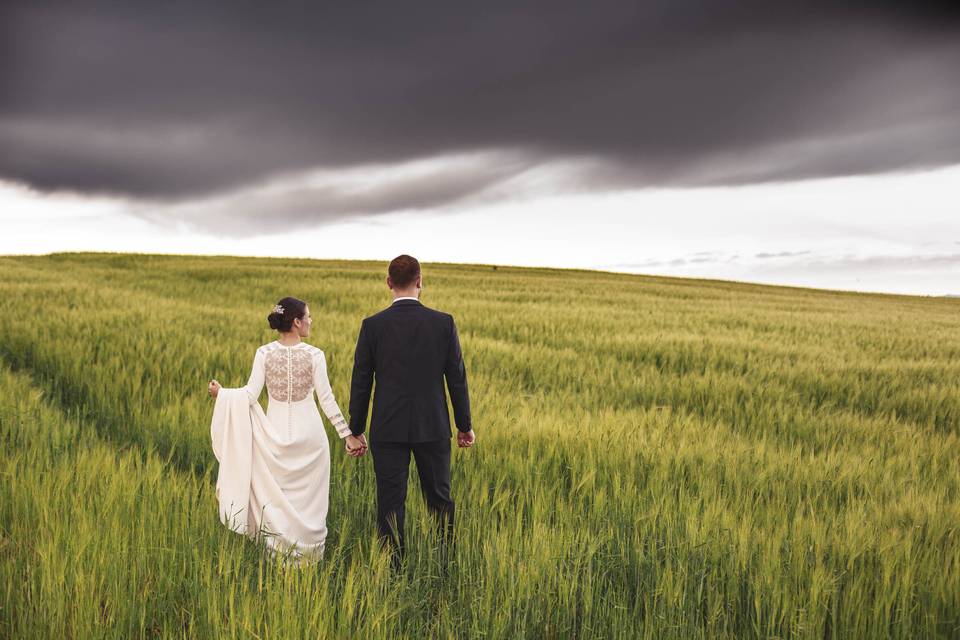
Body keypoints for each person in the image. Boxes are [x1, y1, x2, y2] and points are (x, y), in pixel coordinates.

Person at [207, 296, 367, 563]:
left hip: (275, 439)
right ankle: (310, 560)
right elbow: (326, 400)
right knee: (310, 506)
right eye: (308, 316)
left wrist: (222, 394)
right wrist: (347, 435)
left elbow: (248, 396)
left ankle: (278, 559)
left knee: (278, 502)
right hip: (311, 438)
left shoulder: (264, 354)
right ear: (296, 322)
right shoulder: (315, 355)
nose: (311, 321)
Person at [348, 255, 475, 566]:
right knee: (439, 499)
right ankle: (446, 562)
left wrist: (356, 429)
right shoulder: (443, 323)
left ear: (389, 283)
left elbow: (361, 381)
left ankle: (394, 570)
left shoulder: (372, 326)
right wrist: (464, 425)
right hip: (432, 427)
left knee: (390, 504)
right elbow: (456, 378)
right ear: (420, 281)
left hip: (387, 429)